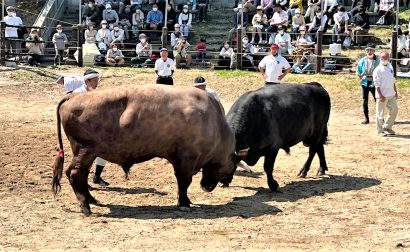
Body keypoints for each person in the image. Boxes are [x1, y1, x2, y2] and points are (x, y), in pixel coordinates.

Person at [72, 69, 110, 186]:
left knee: (103, 152)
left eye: (97, 80)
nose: (97, 82)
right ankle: (83, 180)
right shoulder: (77, 93)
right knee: (84, 156)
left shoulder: (97, 93)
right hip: (81, 130)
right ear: (87, 80)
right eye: (95, 80)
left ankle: (97, 176)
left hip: (95, 128)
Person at [372, 51, 399, 136]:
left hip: (391, 93)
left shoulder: (390, 66)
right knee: (380, 113)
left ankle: (387, 126)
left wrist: (395, 92)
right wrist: (380, 95)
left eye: (386, 57)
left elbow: (393, 80)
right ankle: (379, 131)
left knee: (395, 109)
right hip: (382, 95)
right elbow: (377, 84)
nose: (384, 59)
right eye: (383, 57)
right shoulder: (377, 70)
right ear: (380, 58)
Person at [356, 44, 379, 124]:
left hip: (374, 82)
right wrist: (360, 77)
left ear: (374, 51)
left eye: (371, 50)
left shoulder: (378, 60)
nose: (369, 52)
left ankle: (380, 118)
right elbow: (358, 70)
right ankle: (366, 118)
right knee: (364, 100)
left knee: (377, 100)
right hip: (365, 82)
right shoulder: (362, 60)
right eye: (368, 50)